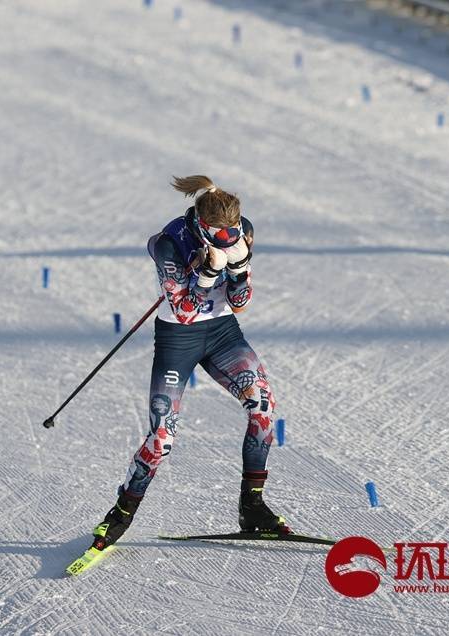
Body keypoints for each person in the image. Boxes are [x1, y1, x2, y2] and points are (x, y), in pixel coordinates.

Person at [89, 175, 287, 552]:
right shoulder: (170, 242)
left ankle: (254, 508)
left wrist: (240, 267)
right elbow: (182, 311)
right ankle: (119, 515)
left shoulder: (242, 231)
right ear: (200, 225)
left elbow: (241, 301)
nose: (229, 240)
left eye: (233, 234)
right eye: (221, 236)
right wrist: (208, 271)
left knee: (263, 408)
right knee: (162, 437)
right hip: (178, 340)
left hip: (223, 332)